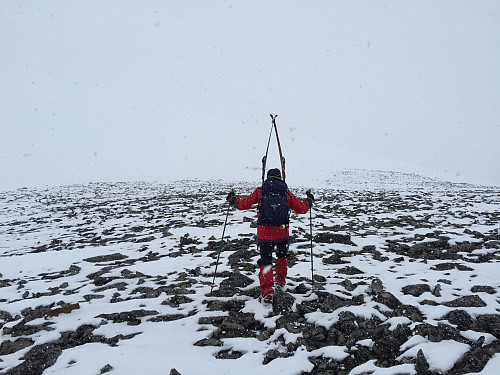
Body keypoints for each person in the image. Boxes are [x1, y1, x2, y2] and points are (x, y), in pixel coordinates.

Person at [226, 168, 315, 301]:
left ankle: (267, 290)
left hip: (264, 233)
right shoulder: (285, 193)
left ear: (267, 177)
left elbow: (244, 203)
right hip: (282, 231)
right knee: (282, 256)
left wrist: (233, 200)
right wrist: (308, 202)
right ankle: (280, 281)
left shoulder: (260, 191)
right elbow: (301, 209)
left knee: (266, 261)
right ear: (280, 177)